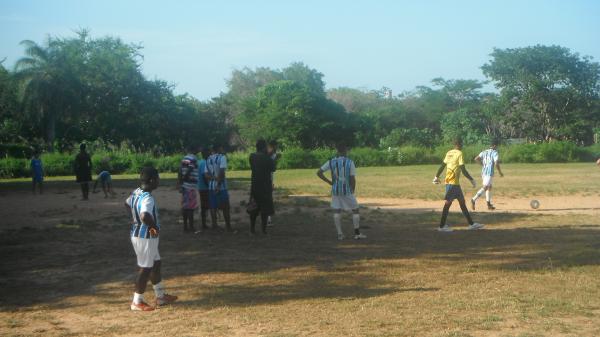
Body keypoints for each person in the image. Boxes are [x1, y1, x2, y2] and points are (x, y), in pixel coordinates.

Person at [125, 166, 177, 311]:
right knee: (145, 268)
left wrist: (133, 218)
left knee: (156, 263)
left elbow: (127, 203)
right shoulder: (148, 198)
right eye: (158, 178)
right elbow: (144, 215)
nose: (159, 181)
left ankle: (160, 296)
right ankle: (137, 301)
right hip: (145, 237)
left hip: (139, 235)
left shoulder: (137, 192)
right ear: (153, 180)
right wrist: (154, 227)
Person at [317, 143, 367, 240]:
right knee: (355, 210)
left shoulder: (331, 162)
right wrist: (353, 190)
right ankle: (357, 234)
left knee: (337, 210)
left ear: (337, 151)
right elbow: (352, 178)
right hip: (347, 190)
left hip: (335, 190)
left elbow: (319, 172)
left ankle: (340, 234)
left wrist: (329, 182)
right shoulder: (350, 162)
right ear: (345, 151)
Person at [433, 138, 484, 232]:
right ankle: (441, 226)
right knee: (448, 203)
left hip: (454, 183)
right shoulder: (459, 153)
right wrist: (471, 180)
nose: (462, 146)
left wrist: (436, 176)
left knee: (462, 202)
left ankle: (471, 224)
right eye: (462, 144)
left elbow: (442, 165)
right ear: (459, 144)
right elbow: (463, 169)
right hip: (452, 183)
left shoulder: (449, 153)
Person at [249, 139, 276, 234]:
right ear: (264, 147)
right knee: (265, 209)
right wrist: (273, 157)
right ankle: (263, 230)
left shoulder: (252, 156)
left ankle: (252, 229)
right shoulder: (267, 158)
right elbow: (273, 168)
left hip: (255, 186)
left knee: (254, 208)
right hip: (265, 187)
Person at [204, 144, 233, 232]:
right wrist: (219, 184)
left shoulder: (208, 159)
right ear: (220, 148)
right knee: (225, 207)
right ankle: (228, 226)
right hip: (221, 187)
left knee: (213, 207)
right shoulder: (222, 157)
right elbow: (222, 172)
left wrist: (213, 178)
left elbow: (206, 175)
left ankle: (214, 225)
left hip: (211, 186)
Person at [471, 140, 504, 210]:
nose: (497, 147)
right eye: (497, 146)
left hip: (483, 172)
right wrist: (500, 172)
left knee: (489, 187)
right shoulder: (494, 152)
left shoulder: (484, 151)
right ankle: (473, 199)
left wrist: (482, 164)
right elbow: (496, 163)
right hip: (489, 173)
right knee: (485, 187)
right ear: (495, 145)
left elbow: (476, 159)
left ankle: (488, 204)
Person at [177, 152, 199, 233]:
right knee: (190, 208)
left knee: (185, 207)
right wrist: (184, 178)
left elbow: (179, 170)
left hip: (185, 187)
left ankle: (185, 226)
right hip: (190, 187)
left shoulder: (184, 159)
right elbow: (190, 169)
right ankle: (191, 227)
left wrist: (180, 183)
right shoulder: (193, 158)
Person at [266, 140, 280, 227]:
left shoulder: (272, 154)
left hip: (269, 178)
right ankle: (268, 219)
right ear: (273, 146)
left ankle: (268, 218)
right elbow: (272, 167)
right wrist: (275, 158)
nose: (277, 148)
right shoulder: (268, 154)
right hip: (267, 179)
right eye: (276, 146)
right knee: (268, 199)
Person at [196, 148, 211, 231]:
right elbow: (204, 176)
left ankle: (204, 222)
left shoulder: (199, 162)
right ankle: (204, 224)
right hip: (204, 187)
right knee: (205, 205)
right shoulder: (205, 163)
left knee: (204, 205)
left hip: (200, 186)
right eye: (209, 153)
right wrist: (208, 186)